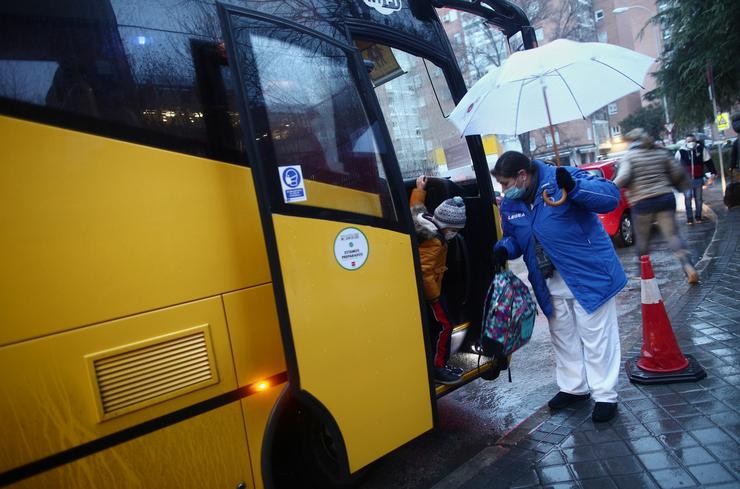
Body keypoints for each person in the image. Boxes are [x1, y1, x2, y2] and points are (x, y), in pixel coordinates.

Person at [490, 151, 626, 422]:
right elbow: (515, 238)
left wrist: (576, 187)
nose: (503, 191)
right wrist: (505, 248)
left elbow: (610, 197)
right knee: (563, 338)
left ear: (522, 175)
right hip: (548, 280)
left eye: (505, 183)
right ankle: (574, 387)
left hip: (588, 276)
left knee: (597, 338)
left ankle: (604, 394)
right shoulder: (510, 206)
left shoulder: (562, 179)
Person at [614, 128, 698, 284]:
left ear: (632, 141)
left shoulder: (630, 156)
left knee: (643, 239)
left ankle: (643, 273)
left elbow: (623, 177)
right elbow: (677, 172)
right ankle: (688, 266)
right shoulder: (660, 152)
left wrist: (611, 187)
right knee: (673, 236)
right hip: (665, 197)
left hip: (642, 202)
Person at [410, 176, 467, 385]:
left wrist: (419, 189)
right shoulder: (434, 240)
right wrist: (435, 298)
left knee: (436, 327)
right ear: (447, 226)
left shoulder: (424, 220)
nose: (454, 235)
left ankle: (439, 362)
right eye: (455, 230)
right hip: (430, 292)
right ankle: (438, 368)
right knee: (445, 325)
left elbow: (415, 208)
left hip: (427, 290)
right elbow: (424, 272)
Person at [675, 134, 717, 224]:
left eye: (692, 141)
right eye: (689, 141)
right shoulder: (681, 151)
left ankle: (698, 217)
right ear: (685, 142)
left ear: (695, 141)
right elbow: (675, 165)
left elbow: (708, 162)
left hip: (698, 178)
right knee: (688, 198)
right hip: (686, 180)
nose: (691, 143)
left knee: (698, 199)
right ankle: (689, 218)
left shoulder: (701, 149)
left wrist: (713, 172)